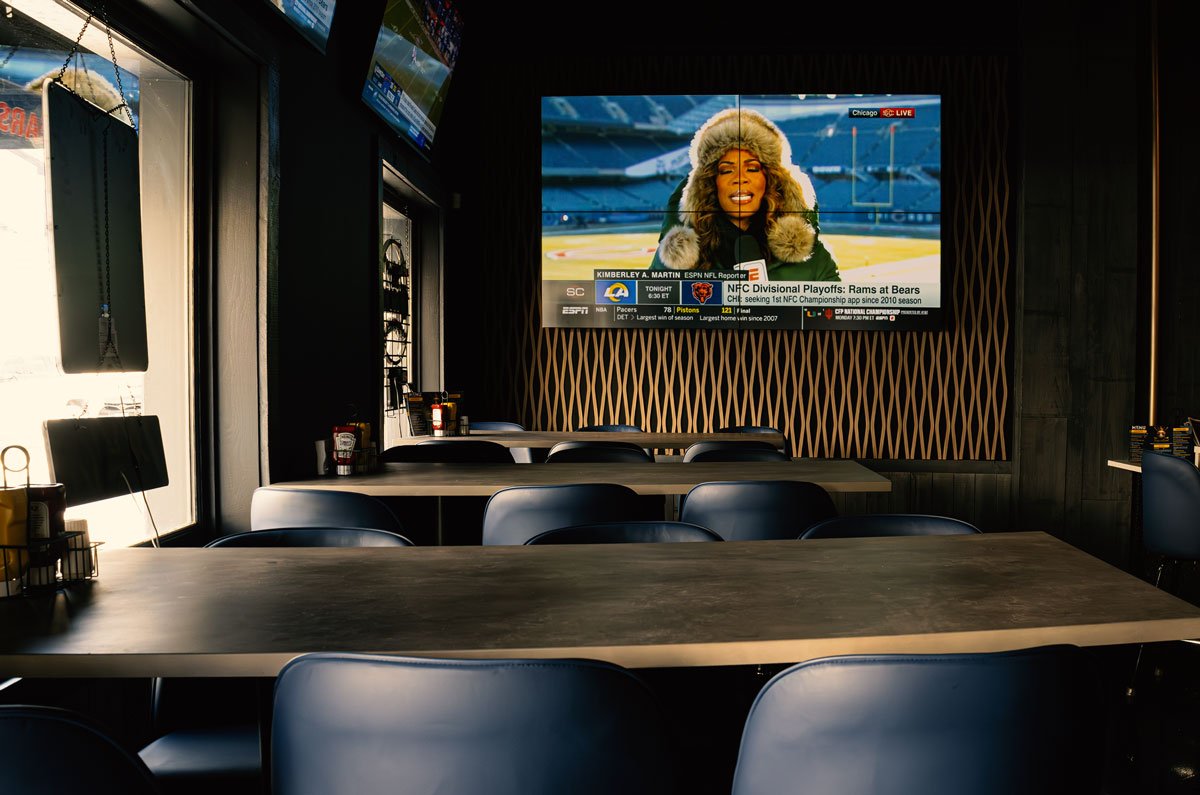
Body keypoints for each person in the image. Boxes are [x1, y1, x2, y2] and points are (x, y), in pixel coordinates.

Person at [649, 107, 839, 281]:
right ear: (709, 183)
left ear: (771, 179)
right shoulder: (673, 263)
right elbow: (647, 305)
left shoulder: (814, 260)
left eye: (752, 168)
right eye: (726, 170)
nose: (740, 178)